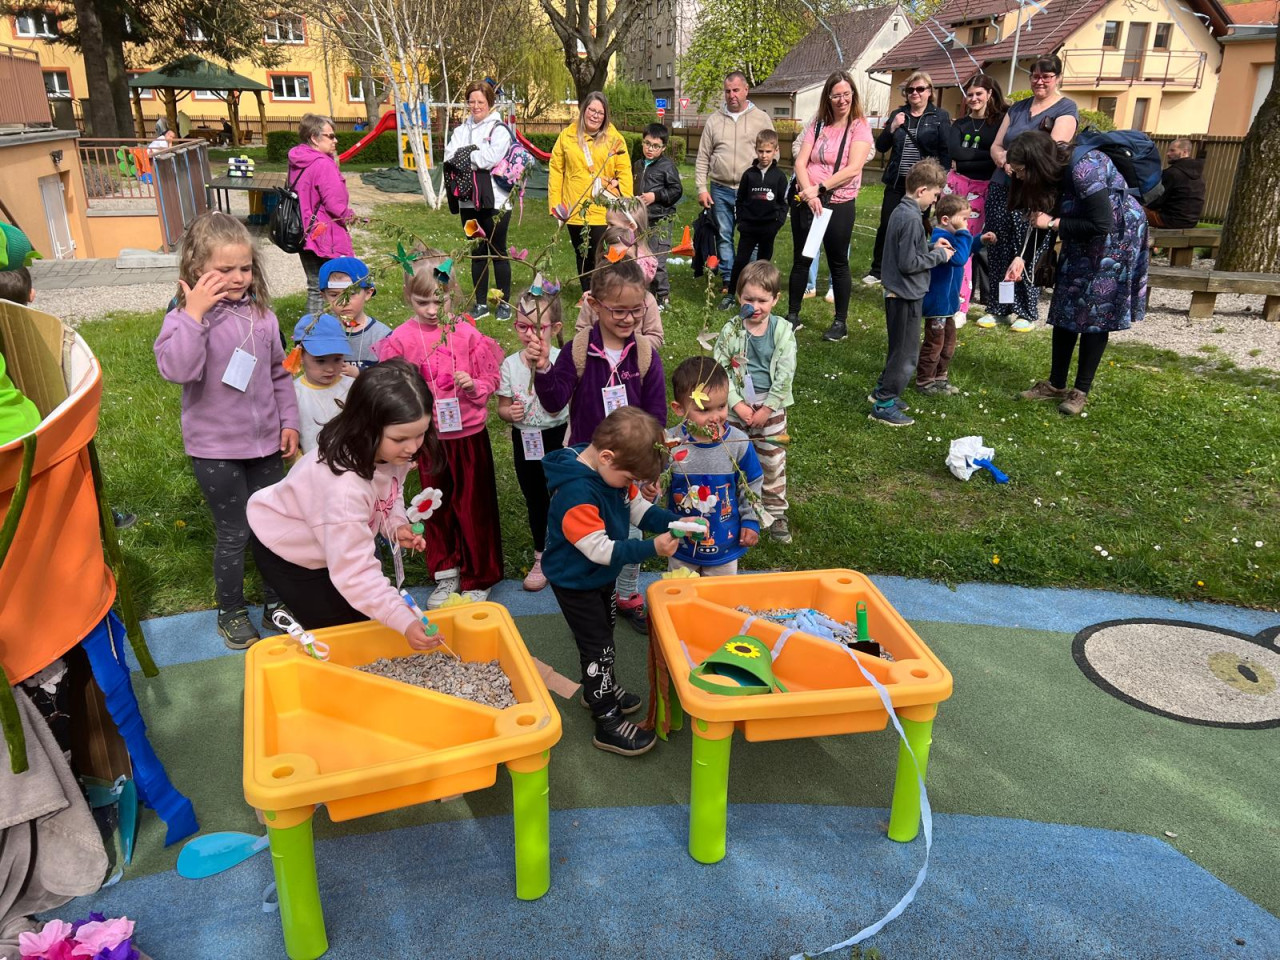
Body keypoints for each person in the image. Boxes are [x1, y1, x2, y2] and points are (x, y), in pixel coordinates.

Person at [153, 211, 300, 648]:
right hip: (216, 450)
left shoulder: (263, 316)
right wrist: (194, 316)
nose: (238, 278)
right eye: (225, 269)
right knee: (235, 532)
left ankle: (278, 601)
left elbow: (278, 373)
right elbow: (179, 370)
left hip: (266, 445)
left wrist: (289, 420)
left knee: (273, 527)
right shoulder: (183, 318)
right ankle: (231, 610)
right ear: (197, 269)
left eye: (245, 268)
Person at [246, 359, 443, 650]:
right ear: (366, 427)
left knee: (362, 617)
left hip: (331, 537)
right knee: (338, 631)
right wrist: (405, 620)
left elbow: (389, 493)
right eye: (401, 438)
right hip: (288, 551)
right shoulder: (344, 489)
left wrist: (395, 525)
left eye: (421, 433)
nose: (413, 447)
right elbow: (356, 574)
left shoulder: (390, 452)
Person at [533, 256, 667, 634]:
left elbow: (657, 416)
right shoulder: (578, 350)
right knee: (591, 534)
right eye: (618, 310)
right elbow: (554, 402)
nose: (628, 318)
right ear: (593, 304)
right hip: (589, 467)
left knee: (631, 530)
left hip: (628, 466)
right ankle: (588, 595)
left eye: (637, 310)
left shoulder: (644, 354)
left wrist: (652, 469)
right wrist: (543, 368)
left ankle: (625, 592)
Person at [541, 406, 680, 756]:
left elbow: (638, 510)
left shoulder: (611, 471)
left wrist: (675, 523)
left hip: (599, 577)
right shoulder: (576, 493)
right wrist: (653, 547)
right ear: (606, 457)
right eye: (629, 478)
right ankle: (606, 719)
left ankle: (599, 688)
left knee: (604, 639)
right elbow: (599, 549)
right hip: (576, 582)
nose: (631, 485)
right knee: (598, 646)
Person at [374, 256, 505, 606]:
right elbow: (394, 392)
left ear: (452, 294)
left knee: (473, 506)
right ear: (408, 297)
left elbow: (491, 377)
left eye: (439, 300)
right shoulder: (401, 340)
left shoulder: (467, 333)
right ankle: (446, 572)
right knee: (433, 504)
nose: (432, 310)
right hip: (429, 439)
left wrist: (474, 385)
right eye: (423, 302)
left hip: (469, 436)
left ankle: (479, 575)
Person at [1006, 130, 1148, 416]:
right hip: (1081, 237)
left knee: (1096, 312)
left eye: (1021, 171)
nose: (1019, 177)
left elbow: (1101, 224)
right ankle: (1055, 384)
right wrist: (1022, 257)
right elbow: (1041, 220)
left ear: (1036, 164)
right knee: (1066, 305)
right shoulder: (1053, 171)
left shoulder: (1085, 169)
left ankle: (1080, 390)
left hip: (1115, 240)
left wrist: (1053, 223)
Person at [980, 56, 1078, 331]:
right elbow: (997, 145)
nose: (1040, 81)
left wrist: (1022, 167)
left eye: (1046, 76)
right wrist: (1005, 161)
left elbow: (1053, 151)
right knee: (999, 247)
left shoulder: (1066, 108)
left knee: (1027, 248)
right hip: (1003, 185)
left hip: (1034, 189)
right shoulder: (1018, 108)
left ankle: (1025, 310)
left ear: (1057, 78)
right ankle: (1000, 306)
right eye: (1035, 76)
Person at [783, 70, 875, 342]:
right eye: (836, 95)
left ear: (853, 95)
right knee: (802, 259)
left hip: (839, 203)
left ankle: (840, 322)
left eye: (846, 94)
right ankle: (793, 315)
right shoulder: (819, 124)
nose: (842, 100)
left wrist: (820, 188)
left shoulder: (859, 126)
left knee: (838, 262)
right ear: (828, 97)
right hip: (808, 202)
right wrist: (810, 194)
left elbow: (854, 168)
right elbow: (800, 162)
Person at [713, 259, 796, 544]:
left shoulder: (782, 331)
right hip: (736, 408)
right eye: (749, 299)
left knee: (772, 461)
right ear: (739, 297)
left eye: (762, 300)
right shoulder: (731, 330)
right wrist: (736, 404)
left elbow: (785, 374)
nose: (755, 306)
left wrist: (768, 408)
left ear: (775, 299)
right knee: (732, 457)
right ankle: (735, 508)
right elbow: (721, 368)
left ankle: (775, 511)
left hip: (771, 409)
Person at [868, 159, 953, 427]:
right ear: (921, 190)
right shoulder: (912, 218)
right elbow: (908, 263)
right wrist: (939, 256)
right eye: (935, 195)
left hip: (899, 292)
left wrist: (929, 246)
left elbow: (907, 250)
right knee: (906, 355)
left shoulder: (901, 210)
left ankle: (882, 390)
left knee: (898, 349)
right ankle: (884, 403)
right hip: (905, 295)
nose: (935, 201)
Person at [496, 284, 569, 592]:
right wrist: (508, 413)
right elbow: (501, 407)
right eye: (523, 327)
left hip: (559, 437)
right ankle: (542, 555)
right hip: (526, 440)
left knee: (564, 496)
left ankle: (567, 551)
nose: (530, 334)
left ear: (555, 328)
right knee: (536, 497)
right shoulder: (510, 364)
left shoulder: (563, 359)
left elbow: (566, 401)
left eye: (539, 327)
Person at [665, 357, 762, 575]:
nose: (715, 417)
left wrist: (751, 519)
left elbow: (752, 482)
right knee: (680, 590)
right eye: (704, 410)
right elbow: (655, 482)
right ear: (679, 409)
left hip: (725, 542)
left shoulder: (738, 443)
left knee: (720, 593)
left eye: (721, 406)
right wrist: (650, 491)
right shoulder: (671, 443)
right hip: (681, 544)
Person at [695, 71, 775, 307]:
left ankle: (749, 280)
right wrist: (701, 187)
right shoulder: (714, 120)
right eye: (728, 91)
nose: (732, 95)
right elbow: (703, 156)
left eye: (736, 90)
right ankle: (729, 279)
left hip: (751, 190)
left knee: (751, 236)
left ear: (746, 90)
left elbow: (773, 152)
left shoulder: (761, 118)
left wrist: (766, 182)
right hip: (720, 188)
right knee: (724, 235)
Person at [866, 72, 951, 287]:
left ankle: (912, 263)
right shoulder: (898, 114)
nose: (915, 93)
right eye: (910, 90)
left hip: (923, 186)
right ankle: (878, 269)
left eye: (920, 89)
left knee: (916, 226)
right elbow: (881, 146)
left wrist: (939, 184)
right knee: (887, 224)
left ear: (929, 92)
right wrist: (892, 127)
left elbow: (945, 151)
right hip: (897, 181)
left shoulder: (939, 116)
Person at [443, 81, 515, 319]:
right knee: (476, 251)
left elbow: (490, 158)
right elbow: (449, 156)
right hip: (467, 203)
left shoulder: (499, 129)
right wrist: (473, 154)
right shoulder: (460, 131)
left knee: (497, 251)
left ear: (490, 103)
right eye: (471, 101)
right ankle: (481, 303)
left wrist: (466, 155)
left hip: (496, 203)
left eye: (480, 101)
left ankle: (503, 303)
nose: (475, 106)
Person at [915, 194, 996, 396]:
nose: (966, 224)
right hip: (937, 304)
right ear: (946, 220)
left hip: (948, 305)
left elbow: (964, 250)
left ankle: (940, 377)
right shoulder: (939, 240)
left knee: (948, 344)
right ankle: (925, 380)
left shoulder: (954, 237)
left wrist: (979, 241)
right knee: (934, 344)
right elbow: (959, 258)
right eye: (964, 220)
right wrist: (964, 232)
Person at [549, 92, 633, 285]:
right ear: (583, 110)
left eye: (600, 113)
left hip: (603, 209)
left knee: (601, 254)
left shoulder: (614, 138)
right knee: (583, 255)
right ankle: (588, 293)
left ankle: (603, 291)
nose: (595, 116)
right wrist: (555, 205)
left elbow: (624, 171)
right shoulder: (567, 136)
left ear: (605, 116)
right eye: (591, 110)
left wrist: (625, 200)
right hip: (575, 207)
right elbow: (556, 170)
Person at [946, 74, 1007, 326]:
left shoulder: (1000, 123)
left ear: (990, 94)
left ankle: (961, 305)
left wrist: (969, 158)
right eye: (969, 94)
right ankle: (946, 296)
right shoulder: (960, 124)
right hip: (955, 186)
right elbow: (954, 153)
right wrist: (986, 155)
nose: (973, 99)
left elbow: (995, 158)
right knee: (947, 241)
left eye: (978, 94)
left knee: (966, 244)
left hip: (982, 190)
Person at [288, 114, 354, 316]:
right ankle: (330, 329)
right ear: (314, 138)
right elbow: (335, 204)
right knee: (334, 286)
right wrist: (351, 216)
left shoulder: (298, 160)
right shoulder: (323, 164)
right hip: (324, 234)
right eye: (330, 136)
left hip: (303, 231)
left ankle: (310, 332)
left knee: (315, 287)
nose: (336, 141)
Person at [574, 208, 665, 349]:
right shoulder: (593, 300)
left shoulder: (647, 300)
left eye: (626, 259)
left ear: (637, 259)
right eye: (614, 260)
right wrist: (600, 346)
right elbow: (581, 332)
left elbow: (656, 336)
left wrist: (630, 347)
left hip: (636, 361)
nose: (621, 266)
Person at [726, 129, 788, 306]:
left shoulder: (779, 177)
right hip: (749, 227)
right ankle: (731, 295)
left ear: (776, 150)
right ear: (756, 150)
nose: (764, 155)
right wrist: (741, 220)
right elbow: (740, 200)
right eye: (761, 151)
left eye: (768, 151)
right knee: (741, 261)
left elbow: (783, 203)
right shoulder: (749, 174)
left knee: (763, 264)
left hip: (768, 228)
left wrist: (777, 223)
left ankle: (760, 296)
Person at [632, 122, 683, 309]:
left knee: (657, 259)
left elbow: (676, 190)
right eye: (647, 143)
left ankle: (663, 297)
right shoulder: (637, 165)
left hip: (661, 219)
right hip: (641, 219)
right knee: (642, 258)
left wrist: (656, 196)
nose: (650, 149)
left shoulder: (667, 166)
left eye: (655, 146)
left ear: (663, 148)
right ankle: (647, 295)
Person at [290, 312, 354, 455]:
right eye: (320, 361)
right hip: (312, 464)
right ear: (300, 355)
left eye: (337, 359)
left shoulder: (352, 387)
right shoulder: (294, 393)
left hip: (352, 463)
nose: (330, 369)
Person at [318, 256, 388, 375]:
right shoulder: (321, 333)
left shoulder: (382, 336)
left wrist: (359, 373)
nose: (344, 302)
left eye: (351, 294)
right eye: (334, 295)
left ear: (368, 293)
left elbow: (390, 375)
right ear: (324, 297)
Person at [1144, 139, 1206, 229]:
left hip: (1170, 220)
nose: (1168, 154)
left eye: (1172, 150)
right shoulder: (1199, 175)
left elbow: (1157, 200)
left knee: (1132, 210)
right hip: (1191, 222)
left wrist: (1143, 204)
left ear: (1184, 152)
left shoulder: (1172, 173)